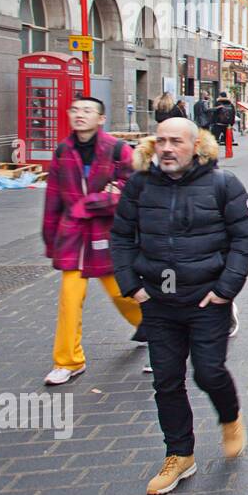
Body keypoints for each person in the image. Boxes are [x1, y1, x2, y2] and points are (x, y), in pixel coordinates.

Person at [111, 118, 248, 495]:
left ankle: (230, 416)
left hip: (206, 298)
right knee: (165, 379)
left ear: (195, 146)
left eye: (175, 141)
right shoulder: (139, 185)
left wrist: (226, 289)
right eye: (160, 140)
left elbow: (246, 236)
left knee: (208, 372)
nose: (166, 148)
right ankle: (179, 454)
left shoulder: (223, 184)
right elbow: (121, 236)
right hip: (158, 301)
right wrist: (132, 286)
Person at [41, 97, 145, 386]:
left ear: (100, 118)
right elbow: (53, 197)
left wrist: (98, 201)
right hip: (73, 237)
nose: (80, 115)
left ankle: (154, 331)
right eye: (75, 110)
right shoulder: (63, 150)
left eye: (87, 111)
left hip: (106, 235)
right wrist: (51, 239)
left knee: (123, 295)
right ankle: (68, 361)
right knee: (69, 300)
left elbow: (134, 187)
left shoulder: (117, 149)